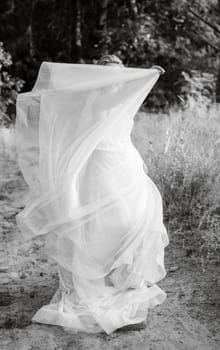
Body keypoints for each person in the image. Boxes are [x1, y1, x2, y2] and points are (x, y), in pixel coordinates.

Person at [15, 54, 169, 334]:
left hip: (126, 168)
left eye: (119, 75)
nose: (114, 81)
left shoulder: (125, 99)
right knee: (100, 229)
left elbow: (133, 95)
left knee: (136, 221)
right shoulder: (91, 103)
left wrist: (148, 76)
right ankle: (100, 287)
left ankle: (125, 283)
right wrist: (148, 75)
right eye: (108, 75)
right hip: (99, 173)